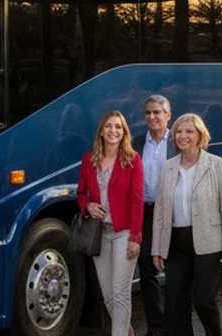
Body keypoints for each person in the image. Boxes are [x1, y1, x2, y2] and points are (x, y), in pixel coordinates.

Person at [151, 113, 222, 336]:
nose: (183, 136)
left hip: (208, 242)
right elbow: (160, 211)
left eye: (189, 131)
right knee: (175, 303)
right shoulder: (168, 167)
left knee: (203, 299)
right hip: (175, 243)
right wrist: (157, 249)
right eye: (179, 131)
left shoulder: (216, 164)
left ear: (200, 135)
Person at [76, 111, 144, 336]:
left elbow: (137, 201)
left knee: (120, 292)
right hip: (100, 234)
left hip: (124, 233)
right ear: (101, 131)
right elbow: (81, 193)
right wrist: (87, 206)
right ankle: (126, 331)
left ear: (124, 132)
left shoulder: (133, 160)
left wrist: (135, 238)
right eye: (108, 126)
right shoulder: (89, 159)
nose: (113, 131)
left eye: (118, 127)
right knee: (108, 295)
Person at [137, 94, 176, 336]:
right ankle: (155, 327)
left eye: (157, 112)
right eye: (148, 113)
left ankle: (174, 324)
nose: (152, 117)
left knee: (175, 270)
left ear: (168, 115)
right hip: (145, 212)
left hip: (173, 214)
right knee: (146, 268)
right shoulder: (136, 142)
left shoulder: (178, 141)